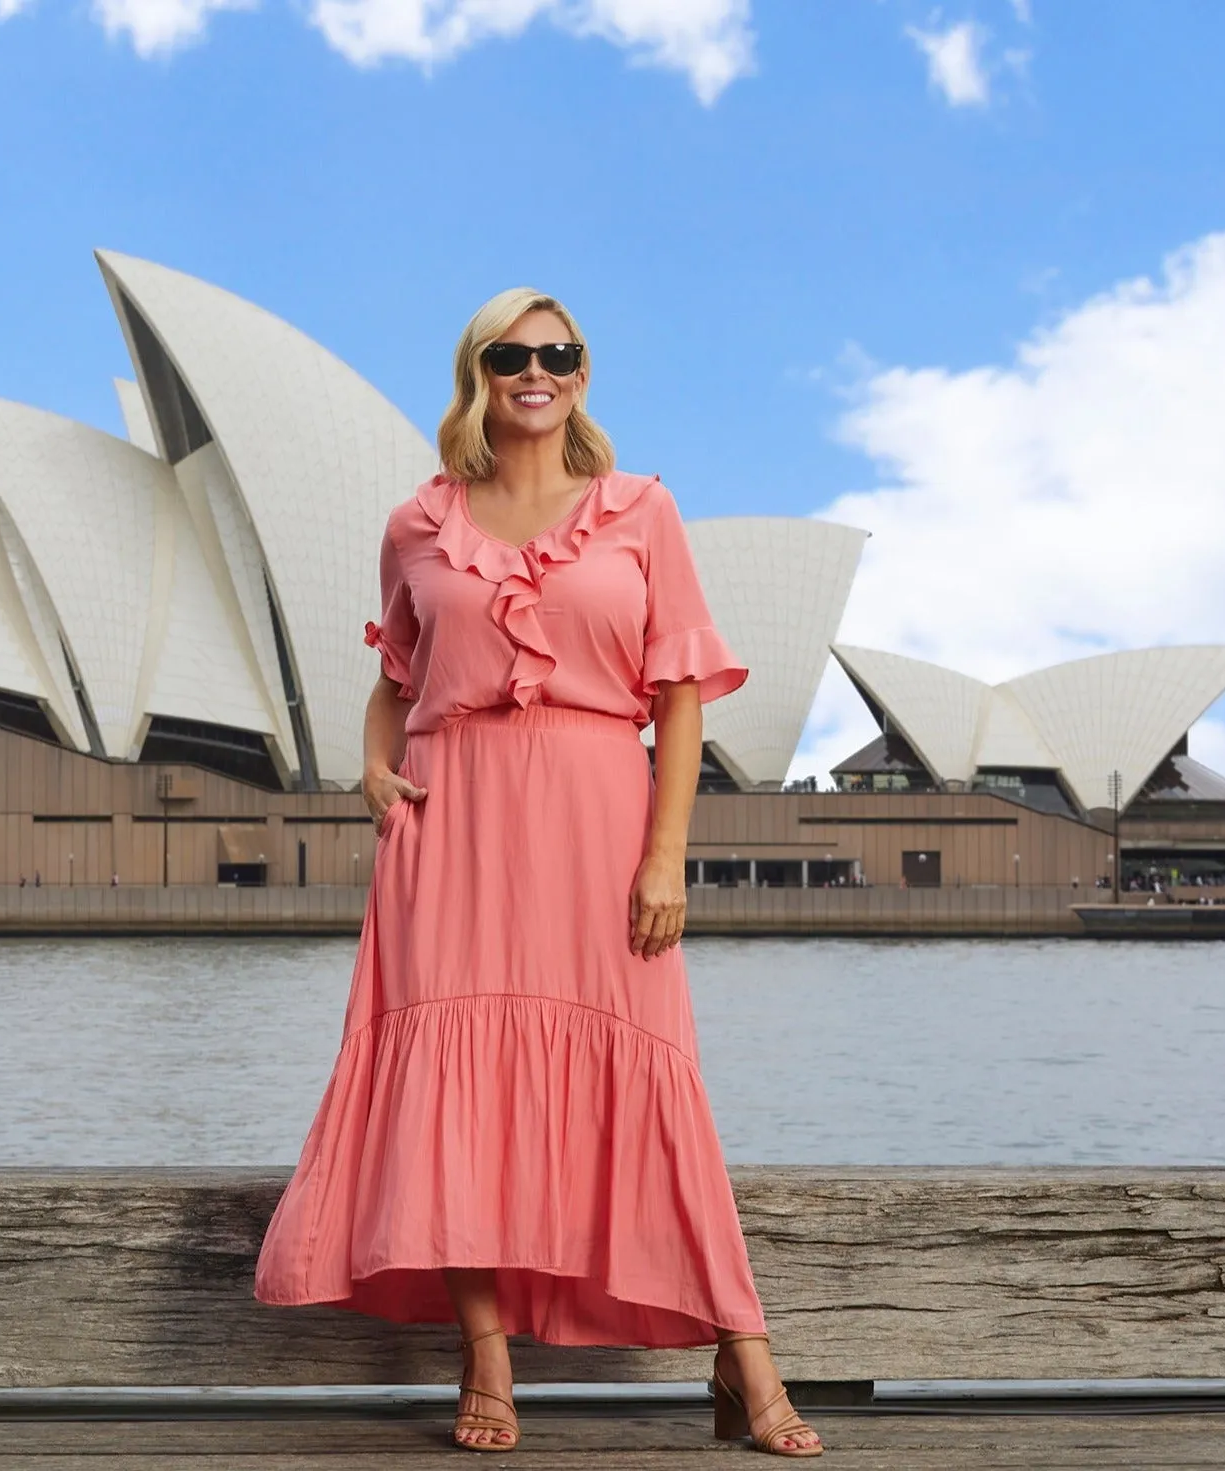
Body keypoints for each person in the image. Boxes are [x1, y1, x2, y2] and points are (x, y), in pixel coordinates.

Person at [253, 289, 822, 1457]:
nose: (536, 369)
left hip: (598, 820)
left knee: (657, 1077)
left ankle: (744, 1356)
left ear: (580, 371)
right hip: (449, 830)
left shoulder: (640, 511)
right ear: (476, 372)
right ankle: (487, 1365)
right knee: (453, 1090)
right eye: (510, 354)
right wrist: (371, 767)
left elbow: (676, 700)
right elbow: (394, 674)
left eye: (557, 353)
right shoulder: (418, 523)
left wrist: (666, 856)